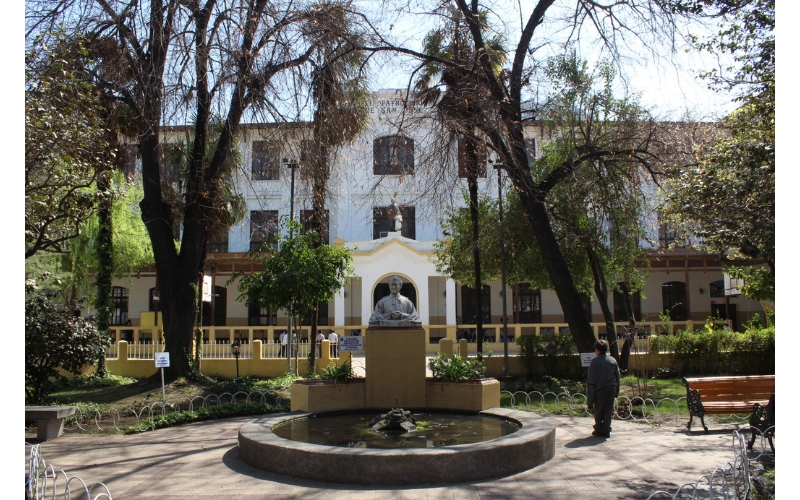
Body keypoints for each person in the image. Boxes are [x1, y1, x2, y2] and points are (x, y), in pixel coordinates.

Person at [586, 339, 620, 438]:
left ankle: (598, 429)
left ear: (597, 350)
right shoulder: (612, 360)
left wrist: (590, 401)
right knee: (608, 410)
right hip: (611, 387)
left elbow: (591, 381)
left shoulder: (594, 362)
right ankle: (606, 430)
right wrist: (616, 391)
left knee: (599, 410)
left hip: (600, 389)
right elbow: (617, 377)